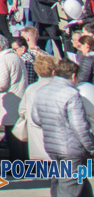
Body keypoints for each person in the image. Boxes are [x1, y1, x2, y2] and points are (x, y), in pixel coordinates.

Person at [31, 56, 94, 197]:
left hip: (52, 145)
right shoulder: (72, 94)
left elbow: (36, 119)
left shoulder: (41, 91)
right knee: (69, 186)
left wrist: (53, 124)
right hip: (71, 148)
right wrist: (91, 146)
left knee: (65, 181)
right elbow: (79, 126)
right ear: (74, 76)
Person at [0, 33, 29, 159]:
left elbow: (0, 84)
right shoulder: (15, 57)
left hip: (10, 101)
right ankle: (21, 163)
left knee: (13, 138)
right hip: (18, 99)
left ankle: (17, 165)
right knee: (18, 138)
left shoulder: (3, 60)